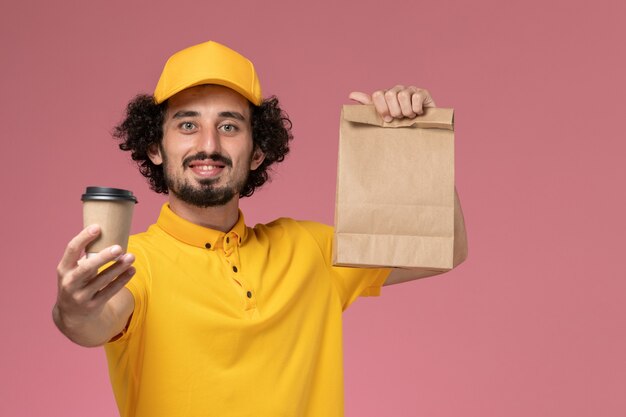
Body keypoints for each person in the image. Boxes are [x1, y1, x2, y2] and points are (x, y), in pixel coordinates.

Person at [53, 41, 468, 417]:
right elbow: (92, 323)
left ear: (257, 153)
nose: (209, 145)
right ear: (155, 148)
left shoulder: (311, 250)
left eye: (230, 126)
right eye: (187, 125)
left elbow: (443, 249)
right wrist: (73, 308)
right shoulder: (133, 262)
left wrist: (417, 138)